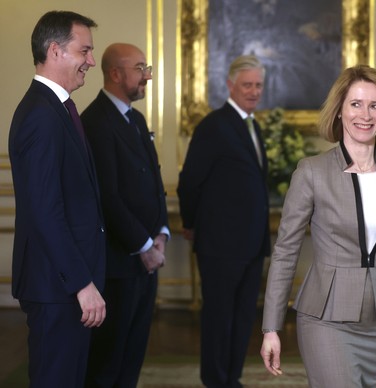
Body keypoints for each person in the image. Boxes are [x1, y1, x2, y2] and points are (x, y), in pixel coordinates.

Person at [260, 64, 376, 387]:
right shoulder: (312, 171)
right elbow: (286, 251)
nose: (366, 115)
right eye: (355, 104)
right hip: (325, 317)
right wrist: (270, 328)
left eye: (375, 105)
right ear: (339, 111)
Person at [8, 10, 106, 388]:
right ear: (55, 51)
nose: (91, 62)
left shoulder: (57, 109)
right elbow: (45, 211)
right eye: (85, 51)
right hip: (58, 287)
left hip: (65, 284)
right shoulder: (41, 115)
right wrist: (82, 284)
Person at [177, 54, 271, 388]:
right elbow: (189, 181)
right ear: (230, 85)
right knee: (219, 319)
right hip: (220, 244)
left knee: (243, 317)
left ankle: (232, 379)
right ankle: (216, 381)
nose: (254, 91)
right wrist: (190, 222)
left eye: (258, 84)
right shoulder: (214, 125)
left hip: (251, 243)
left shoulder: (252, 124)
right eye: (247, 84)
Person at [81, 43, 169, 388]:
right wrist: (144, 245)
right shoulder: (96, 122)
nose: (146, 75)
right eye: (140, 68)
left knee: (133, 356)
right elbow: (109, 197)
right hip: (118, 265)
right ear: (116, 74)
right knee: (108, 361)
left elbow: (155, 180)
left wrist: (161, 232)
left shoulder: (136, 117)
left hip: (146, 261)